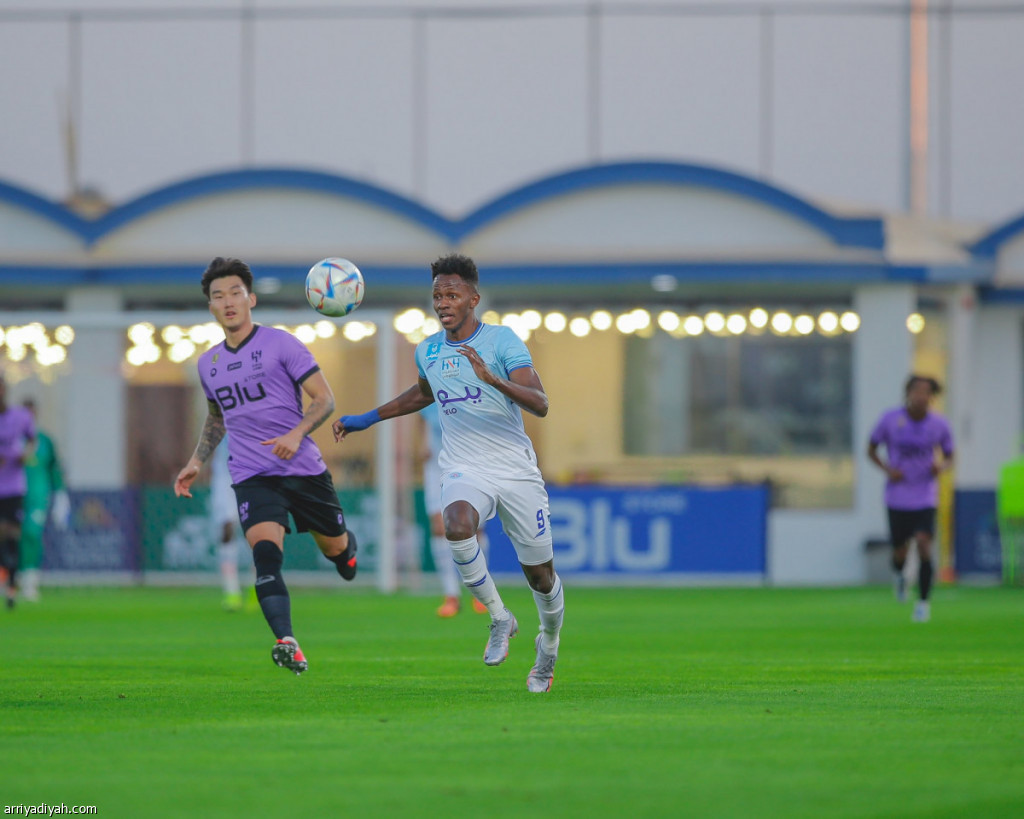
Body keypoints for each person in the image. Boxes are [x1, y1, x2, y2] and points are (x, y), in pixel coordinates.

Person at [334, 253, 564, 692]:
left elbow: (541, 403)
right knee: (456, 526)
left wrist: (493, 380)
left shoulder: (502, 341)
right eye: (437, 295)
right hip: (464, 466)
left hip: (515, 470)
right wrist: (368, 417)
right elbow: (422, 394)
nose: (442, 302)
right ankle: (499, 617)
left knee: (541, 576)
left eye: (452, 294)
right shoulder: (428, 350)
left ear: (473, 299)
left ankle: (548, 646)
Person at [174, 257, 358, 675]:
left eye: (235, 293)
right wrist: (196, 460)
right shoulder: (208, 364)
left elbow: (324, 399)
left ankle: (346, 553)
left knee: (335, 549)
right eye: (218, 296)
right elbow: (217, 417)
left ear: (251, 299)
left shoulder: (282, 345)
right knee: (265, 555)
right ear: (211, 307)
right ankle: (287, 641)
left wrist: (296, 434)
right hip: (252, 474)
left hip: (302, 468)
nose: (228, 302)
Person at [868, 375, 954, 623]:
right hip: (897, 497)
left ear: (932, 397)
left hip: (925, 495)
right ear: (908, 393)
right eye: (916, 391)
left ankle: (923, 604)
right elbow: (871, 449)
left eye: (926, 392)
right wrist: (888, 470)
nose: (920, 396)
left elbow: (950, 455)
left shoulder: (939, 424)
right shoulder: (890, 419)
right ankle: (900, 576)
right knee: (900, 550)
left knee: (924, 543)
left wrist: (941, 467)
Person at [420, 405, 488, 618]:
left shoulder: (470, 393)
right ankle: (451, 595)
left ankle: (481, 591)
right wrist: (423, 443)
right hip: (436, 467)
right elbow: (421, 415)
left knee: (474, 529)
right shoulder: (431, 394)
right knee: (439, 528)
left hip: (468, 465)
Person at [19, 398, 71, 603]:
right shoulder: (10, 437)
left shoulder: (45, 441)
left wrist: (60, 495)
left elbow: (54, 469)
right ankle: (10, 578)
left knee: (31, 534)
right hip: (12, 495)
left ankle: (29, 580)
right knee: (10, 536)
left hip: (37, 497)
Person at [0, 375, 36, 610]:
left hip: (13, 488)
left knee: (12, 537)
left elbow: (32, 441)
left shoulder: (21, 417)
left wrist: (26, 455)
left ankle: (12, 587)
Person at [209, 434, 248, 611]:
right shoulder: (221, 417)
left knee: (257, 531)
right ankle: (232, 591)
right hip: (224, 476)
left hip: (252, 473)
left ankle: (258, 586)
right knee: (227, 527)